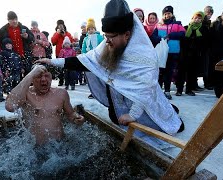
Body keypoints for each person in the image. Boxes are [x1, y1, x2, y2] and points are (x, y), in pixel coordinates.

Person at [38, 0, 184, 147]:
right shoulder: (109, 43)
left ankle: (168, 112)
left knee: (163, 123)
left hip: (140, 105)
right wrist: (52, 62)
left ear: (127, 35)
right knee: (116, 119)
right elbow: (86, 61)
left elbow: (145, 91)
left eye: (111, 37)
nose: (106, 41)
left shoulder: (145, 56)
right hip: (119, 103)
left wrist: (132, 115)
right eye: (105, 36)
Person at [5, 65, 84, 145]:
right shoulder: (26, 94)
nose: (43, 80)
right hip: (34, 149)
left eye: (47, 76)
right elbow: (10, 106)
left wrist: (76, 118)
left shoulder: (61, 93)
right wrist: (31, 74)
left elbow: (70, 114)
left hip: (59, 146)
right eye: (38, 76)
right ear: (31, 79)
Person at [152, 5, 186, 100]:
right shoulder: (159, 25)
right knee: (160, 71)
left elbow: (183, 34)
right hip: (161, 52)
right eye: (165, 14)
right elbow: (153, 37)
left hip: (173, 52)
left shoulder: (178, 24)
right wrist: (160, 39)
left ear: (172, 14)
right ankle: (158, 91)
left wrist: (171, 35)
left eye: (169, 13)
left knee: (169, 72)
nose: (167, 15)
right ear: (163, 15)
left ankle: (167, 91)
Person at [175, 11, 209, 96]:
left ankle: (189, 89)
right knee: (181, 73)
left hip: (196, 54)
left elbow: (204, 42)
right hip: (184, 53)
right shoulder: (186, 28)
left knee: (192, 73)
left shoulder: (203, 29)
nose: (197, 19)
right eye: (195, 18)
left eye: (199, 18)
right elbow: (182, 40)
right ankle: (179, 90)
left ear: (201, 20)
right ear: (192, 18)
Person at [0, 11, 34, 77]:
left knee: (27, 75)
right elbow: (1, 43)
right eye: (12, 20)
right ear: (8, 20)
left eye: (16, 19)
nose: (14, 21)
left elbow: (32, 39)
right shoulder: (3, 30)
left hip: (24, 55)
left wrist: (27, 36)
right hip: (11, 57)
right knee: (15, 77)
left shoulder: (24, 28)